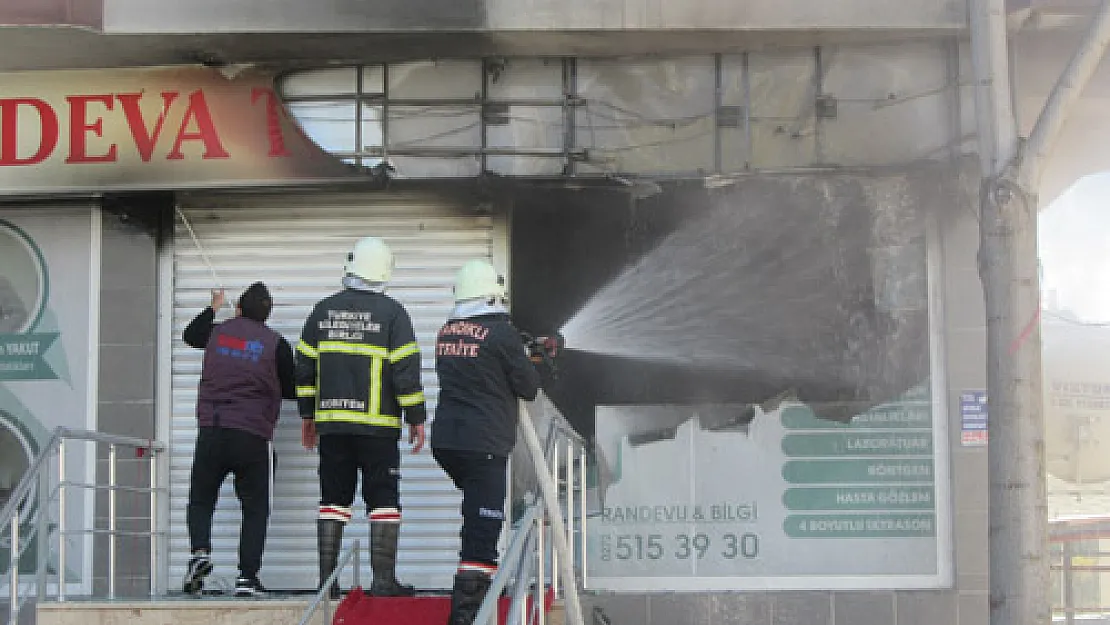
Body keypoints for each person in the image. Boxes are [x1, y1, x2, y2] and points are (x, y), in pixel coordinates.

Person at [295, 236, 427, 599]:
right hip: (378, 429)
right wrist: (416, 416)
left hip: (333, 427)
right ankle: (383, 582)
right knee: (383, 500)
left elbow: (304, 367)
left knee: (333, 500)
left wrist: (308, 416)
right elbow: (405, 371)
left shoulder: (323, 311)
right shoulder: (393, 314)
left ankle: (327, 583)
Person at [431, 259, 540, 625]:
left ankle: (479, 590)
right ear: (494, 293)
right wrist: (527, 360)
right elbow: (528, 386)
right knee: (482, 533)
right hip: (484, 446)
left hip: (448, 443)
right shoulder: (503, 334)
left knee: (476, 513)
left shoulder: (448, 331)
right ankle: (466, 617)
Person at [181, 282, 295, 598]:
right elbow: (291, 390)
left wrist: (214, 305)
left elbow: (190, 335)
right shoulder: (276, 343)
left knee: (202, 499)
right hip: (253, 436)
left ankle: (200, 552)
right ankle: (247, 577)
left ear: (239, 309)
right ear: (267, 315)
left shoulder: (217, 332)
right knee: (256, 508)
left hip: (213, 430)